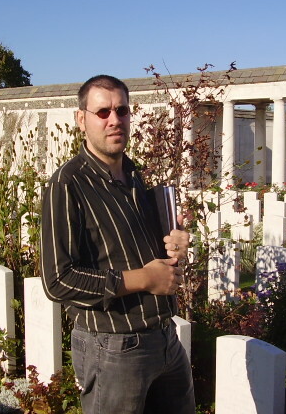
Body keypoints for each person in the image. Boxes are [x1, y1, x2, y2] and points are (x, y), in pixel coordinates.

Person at [40, 74, 195, 414]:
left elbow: (145, 250)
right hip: (114, 346)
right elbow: (58, 280)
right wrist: (143, 279)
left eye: (122, 110)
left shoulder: (136, 175)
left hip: (165, 338)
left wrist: (176, 242)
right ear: (82, 119)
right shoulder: (67, 185)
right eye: (102, 112)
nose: (114, 120)